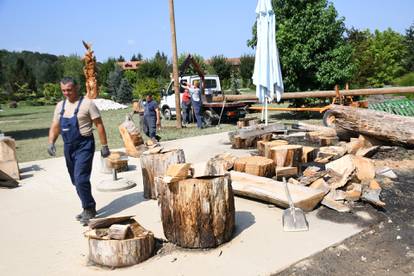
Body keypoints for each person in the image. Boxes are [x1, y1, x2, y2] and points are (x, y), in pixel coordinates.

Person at [47, 77, 110, 226]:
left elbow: (99, 125)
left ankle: (88, 208)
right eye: (63, 90)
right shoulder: (60, 106)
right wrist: (51, 142)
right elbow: (55, 125)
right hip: (69, 147)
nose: (66, 93)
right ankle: (87, 205)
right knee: (75, 180)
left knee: (81, 178)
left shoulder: (88, 104)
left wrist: (105, 145)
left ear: (76, 88)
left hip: (84, 145)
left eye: (69, 90)